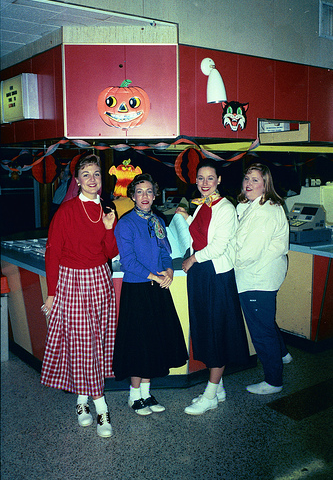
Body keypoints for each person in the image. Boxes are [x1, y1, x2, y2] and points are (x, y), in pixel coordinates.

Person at [40, 153, 118, 438]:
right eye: (86, 174)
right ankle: (101, 407)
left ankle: (81, 400)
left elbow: (110, 252)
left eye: (96, 174)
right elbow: (53, 253)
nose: (92, 179)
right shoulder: (67, 210)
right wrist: (52, 293)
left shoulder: (107, 209)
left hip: (99, 280)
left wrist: (110, 229)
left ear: (101, 179)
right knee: (81, 342)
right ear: (77, 180)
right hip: (72, 281)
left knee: (95, 342)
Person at [176, 158, 250, 416]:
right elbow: (197, 237)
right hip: (201, 273)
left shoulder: (225, 208)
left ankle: (210, 394)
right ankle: (218, 389)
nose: (204, 183)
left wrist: (192, 259)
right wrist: (184, 220)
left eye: (210, 178)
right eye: (200, 178)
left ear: (219, 180)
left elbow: (217, 246)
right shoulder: (201, 206)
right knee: (206, 329)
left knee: (216, 330)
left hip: (215, 275)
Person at [112, 173, 188, 415]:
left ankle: (146, 393)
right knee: (138, 343)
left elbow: (165, 252)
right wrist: (156, 276)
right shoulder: (125, 223)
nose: (144, 196)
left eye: (148, 191)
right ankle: (134, 396)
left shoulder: (157, 221)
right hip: (138, 288)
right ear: (132, 196)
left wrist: (168, 270)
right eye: (139, 191)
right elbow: (129, 262)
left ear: (155, 196)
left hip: (157, 288)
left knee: (154, 341)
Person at [235, 163, 291, 395]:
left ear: (266, 184)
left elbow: (247, 254)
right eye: (247, 178)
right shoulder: (255, 205)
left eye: (255, 180)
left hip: (257, 278)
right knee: (266, 321)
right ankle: (282, 354)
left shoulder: (265, 212)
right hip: (263, 275)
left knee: (261, 329)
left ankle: (273, 381)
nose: (249, 183)